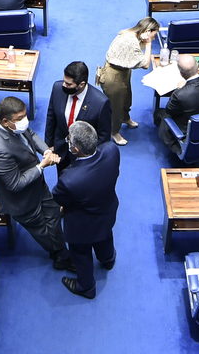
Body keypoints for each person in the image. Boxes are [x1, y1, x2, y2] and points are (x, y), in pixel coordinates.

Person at [0, 96, 74, 272]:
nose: (25, 121)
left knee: (54, 213)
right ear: (5, 121)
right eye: (20, 119)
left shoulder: (13, 126)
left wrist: (47, 151)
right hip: (21, 200)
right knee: (43, 232)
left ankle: (59, 250)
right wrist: (42, 165)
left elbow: (30, 135)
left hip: (36, 185)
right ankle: (60, 256)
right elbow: (15, 184)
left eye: (25, 116)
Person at [52, 120, 119, 299]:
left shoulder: (69, 179)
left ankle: (86, 287)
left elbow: (58, 199)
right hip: (107, 212)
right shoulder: (112, 151)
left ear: (75, 150)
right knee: (105, 236)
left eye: (69, 140)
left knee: (81, 255)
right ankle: (108, 260)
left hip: (82, 227)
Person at [98, 17, 159, 146]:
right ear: (147, 31)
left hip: (123, 71)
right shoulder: (130, 41)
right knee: (116, 106)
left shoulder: (133, 34)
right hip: (113, 76)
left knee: (126, 98)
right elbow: (146, 64)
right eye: (153, 36)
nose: (154, 39)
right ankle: (114, 132)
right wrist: (148, 44)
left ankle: (125, 118)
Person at [44, 61, 112, 170]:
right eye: (64, 81)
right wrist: (49, 144)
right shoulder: (57, 88)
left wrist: (94, 159)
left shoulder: (100, 103)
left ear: (81, 84)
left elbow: (103, 136)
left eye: (68, 84)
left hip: (84, 157)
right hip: (61, 149)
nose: (64, 85)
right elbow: (51, 116)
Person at [155, 53, 199, 156]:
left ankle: (175, 145)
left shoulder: (180, 94)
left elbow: (169, 110)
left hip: (187, 130)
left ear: (181, 74)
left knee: (160, 113)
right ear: (197, 66)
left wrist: (179, 89)